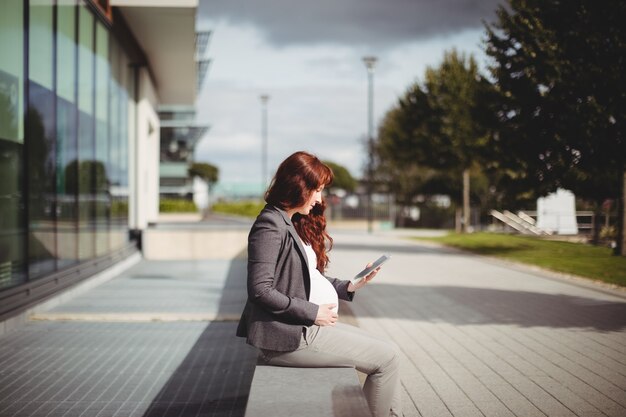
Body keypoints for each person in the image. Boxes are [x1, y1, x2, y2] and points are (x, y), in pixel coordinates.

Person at [236, 151, 402, 417]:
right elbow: (260, 290)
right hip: (288, 339)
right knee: (387, 359)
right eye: (316, 190)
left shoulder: (287, 221)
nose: (319, 199)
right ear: (299, 186)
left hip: (302, 329)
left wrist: (349, 286)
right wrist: (312, 312)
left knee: (389, 350)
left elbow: (306, 278)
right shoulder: (270, 225)